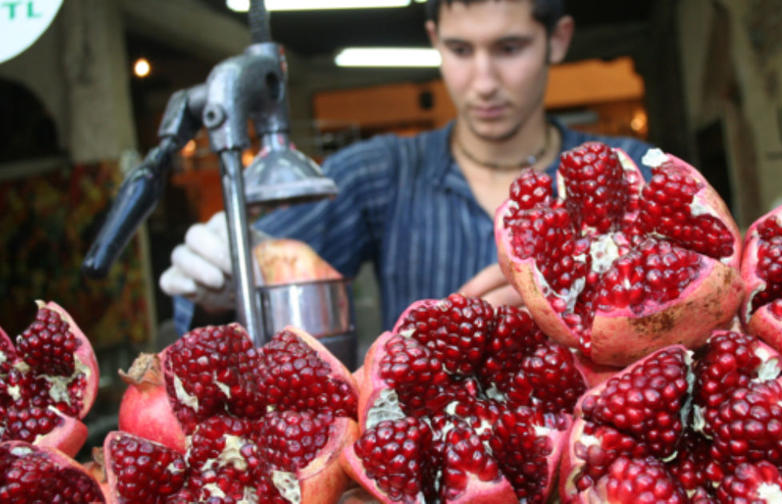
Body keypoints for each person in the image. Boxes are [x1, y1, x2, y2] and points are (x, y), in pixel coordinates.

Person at [160, 0, 654, 336]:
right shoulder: (381, 173)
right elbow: (248, 283)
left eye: (509, 48)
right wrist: (221, 282)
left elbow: (706, 313)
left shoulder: (626, 171)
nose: (483, 81)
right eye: (461, 50)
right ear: (435, 39)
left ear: (558, 39)